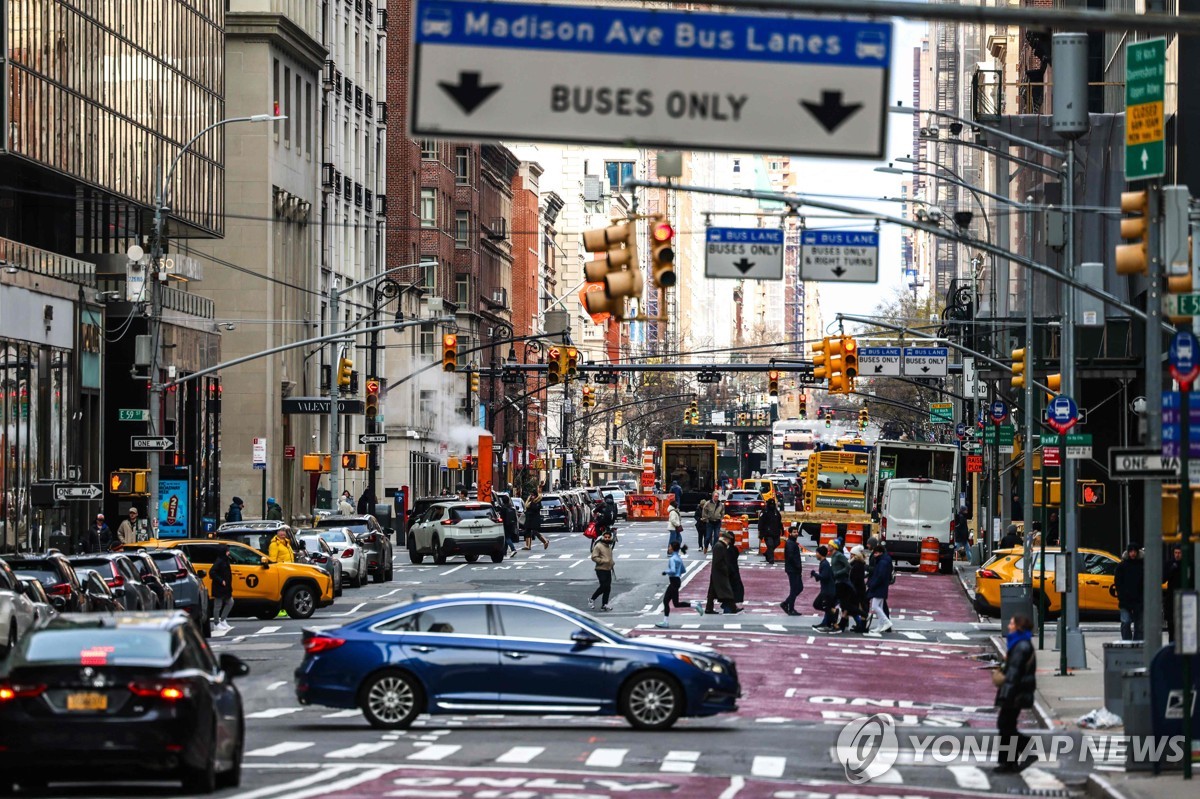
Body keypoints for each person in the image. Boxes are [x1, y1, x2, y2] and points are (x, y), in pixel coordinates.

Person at [994, 614, 1038, 773]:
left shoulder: (1021, 646)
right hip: (1017, 691)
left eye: (1012, 623)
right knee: (1007, 725)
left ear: (1019, 627)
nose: (1009, 626)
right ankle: (1008, 763)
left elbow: (1013, 673)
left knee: (1005, 725)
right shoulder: (1018, 644)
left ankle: (1027, 748)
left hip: (1015, 693)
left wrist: (1006, 694)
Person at [701, 531, 739, 614]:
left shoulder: (720, 545)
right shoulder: (720, 546)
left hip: (716, 573)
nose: (729, 541)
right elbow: (719, 561)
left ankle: (709, 608)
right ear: (726, 539)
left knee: (712, 592)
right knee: (727, 591)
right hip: (719, 573)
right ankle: (733, 608)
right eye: (729, 539)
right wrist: (726, 570)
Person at [656, 541, 693, 627]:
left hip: (673, 581)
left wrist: (665, 572)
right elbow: (683, 570)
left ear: (672, 548)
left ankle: (666, 622)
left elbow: (672, 570)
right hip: (677, 581)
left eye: (669, 547)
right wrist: (677, 571)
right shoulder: (678, 558)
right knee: (676, 604)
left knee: (666, 601)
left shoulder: (672, 559)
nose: (668, 548)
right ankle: (695, 605)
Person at [1114, 542, 1145, 641]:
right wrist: (1121, 597)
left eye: (1134, 551)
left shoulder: (1142, 566)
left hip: (1139, 601)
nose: (1133, 554)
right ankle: (1127, 642)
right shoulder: (1122, 566)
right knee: (1126, 622)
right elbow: (1118, 583)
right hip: (1125, 601)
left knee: (1139, 626)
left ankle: (1137, 645)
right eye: (1131, 551)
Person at [866, 541, 894, 633]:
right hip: (882, 586)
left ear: (880, 553)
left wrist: (872, 584)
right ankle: (880, 625)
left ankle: (886, 622)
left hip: (879, 587)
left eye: (876, 553)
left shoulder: (882, 562)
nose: (874, 555)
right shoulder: (885, 560)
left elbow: (880, 576)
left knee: (875, 606)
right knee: (880, 607)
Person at [811, 545, 837, 630]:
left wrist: (815, 574)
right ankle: (827, 622)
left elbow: (824, 577)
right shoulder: (824, 563)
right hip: (828, 589)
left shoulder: (825, 564)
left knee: (818, 604)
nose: (816, 554)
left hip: (827, 590)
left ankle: (835, 614)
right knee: (826, 606)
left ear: (820, 554)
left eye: (817, 553)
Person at [780, 525, 805, 616]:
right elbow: (790, 557)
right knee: (794, 589)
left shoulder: (793, 543)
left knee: (799, 588)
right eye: (794, 532)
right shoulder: (790, 543)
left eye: (796, 532)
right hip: (793, 570)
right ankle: (791, 609)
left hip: (795, 569)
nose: (796, 534)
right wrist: (797, 566)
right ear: (790, 533)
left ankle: (786, 603)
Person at [211, 544, 235, 630]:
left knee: (230, 602)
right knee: (218, 605)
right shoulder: (219, 561)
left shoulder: (225, 560)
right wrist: (221, 581)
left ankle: (223, 619)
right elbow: (212, 572)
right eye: (227, 551)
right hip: (219, 587)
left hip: (226, 587)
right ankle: (216, 623)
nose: (229, 552)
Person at [589, 530, 615, 611]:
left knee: (608, 588)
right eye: (605, 537)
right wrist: (603, 561)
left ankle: (604, 604)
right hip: (600, 569)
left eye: (608, 537)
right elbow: (594, 557)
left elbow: (609, 557)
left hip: (608, 569)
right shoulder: (599, 546)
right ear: (603, 537)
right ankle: (592, 599)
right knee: (604, 586)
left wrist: (611, 563)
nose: (607, 538)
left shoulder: (609, 547)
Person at [846, 545, 869, 632]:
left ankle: (862, 626)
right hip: (857, 588)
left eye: (852, 554)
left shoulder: (858, 565)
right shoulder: (857, 564)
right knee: (857, 607)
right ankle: (860, 625)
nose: (850, 556)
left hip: (857, 589)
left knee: (859, 607)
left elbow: (856, 578)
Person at [1166, 545, 1183, 642]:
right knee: (1171, 626)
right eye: (1176, 553)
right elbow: (1163, 578)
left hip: (1183, 598)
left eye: (1179, 553)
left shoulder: (1188, 564)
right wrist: (1171, 569)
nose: (1177, 555)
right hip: (1171, 598)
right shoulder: (1170, 564)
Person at [700, 490, 725, 555]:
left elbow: (722, 512)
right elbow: (704, 511)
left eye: (717, 496)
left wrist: (721, 518)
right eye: (716, 496)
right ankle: (706, 546)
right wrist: (706, 519)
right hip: (710, 522)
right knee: (708, 536)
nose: (717, 498)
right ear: (713, 497)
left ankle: (714, 549)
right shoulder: (708, 503)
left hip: (717, 522)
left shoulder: (720, 504)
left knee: (716, 536)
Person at [758, 497, 783, 564]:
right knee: (770, 545)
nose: (772, 505)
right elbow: (761, 522)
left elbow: (779, 521)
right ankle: (771, 559)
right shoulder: (764, 512)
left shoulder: (776, 512)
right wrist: (760, 533)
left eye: (773, 504)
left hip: (776, 532)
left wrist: (782, 529)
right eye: (770, 504)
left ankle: (767, 553)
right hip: (767, 533)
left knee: (777, 543)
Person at [725, 531, 745, 608]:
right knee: (735, 588)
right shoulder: (733, 549)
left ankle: (729, 605)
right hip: (732, 571)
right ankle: (729, 606)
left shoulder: (726, 548)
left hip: (729, 571)